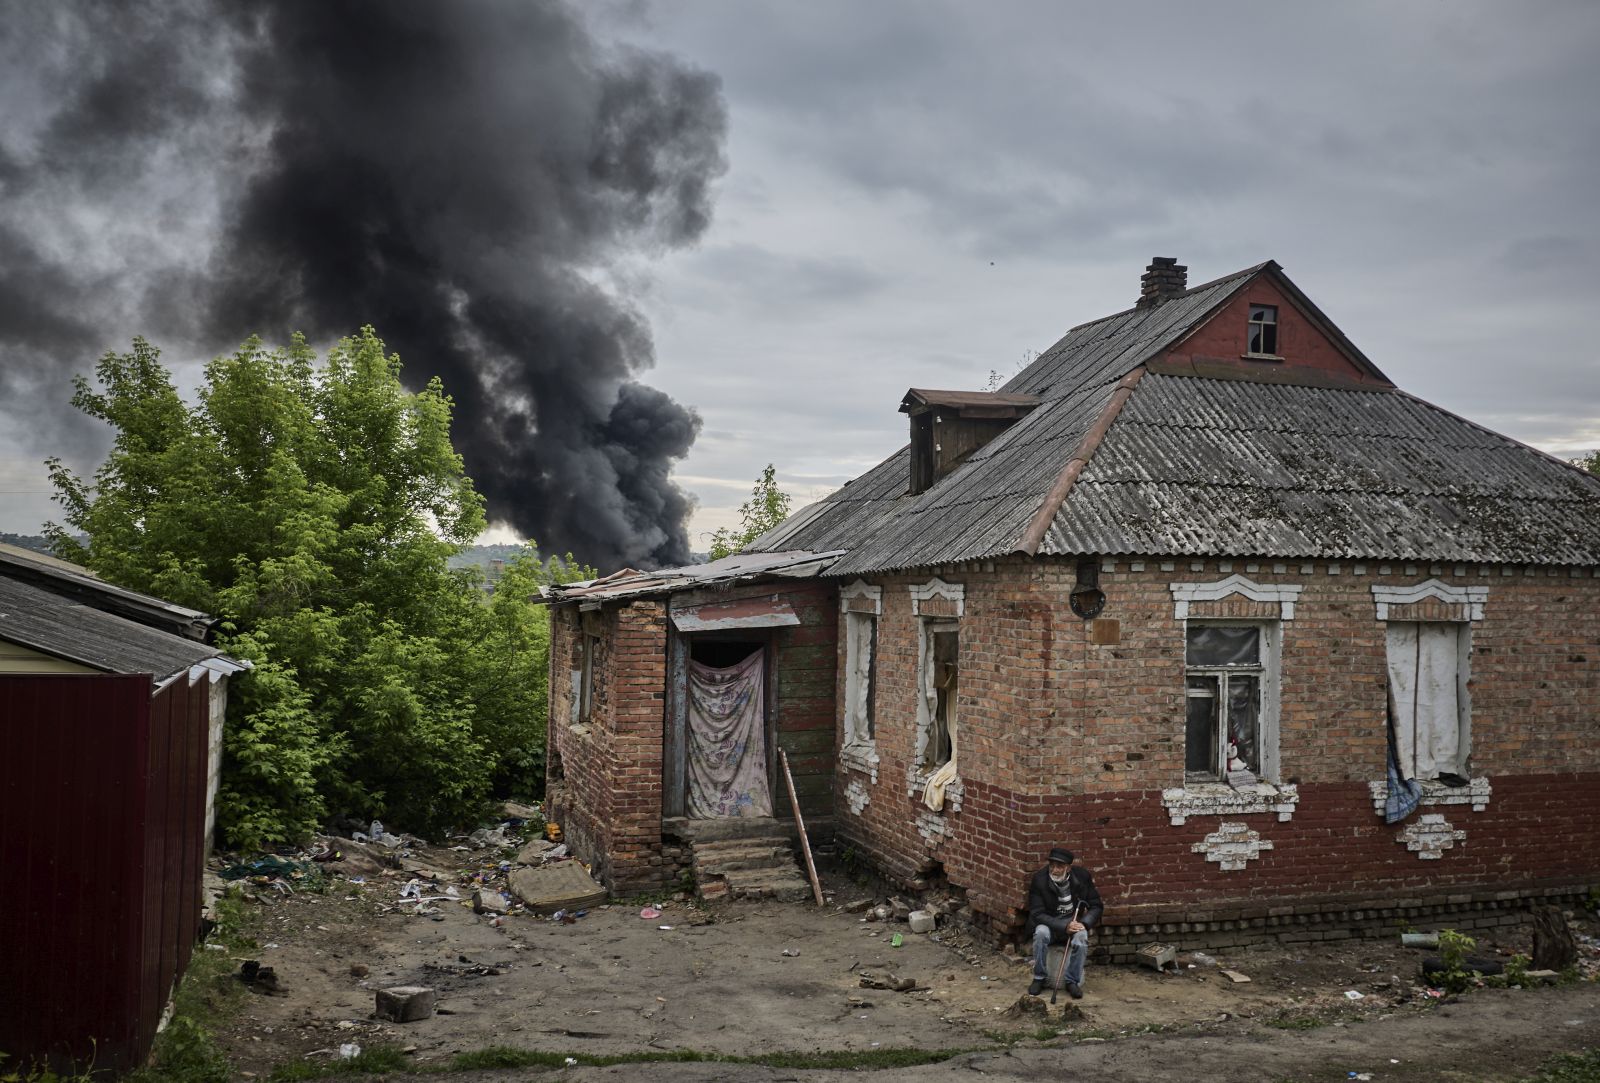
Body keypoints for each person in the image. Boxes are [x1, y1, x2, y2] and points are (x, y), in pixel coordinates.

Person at [1025, 846, 1103, 999]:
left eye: (1059, 867)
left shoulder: (1082, 877)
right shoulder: (1040, 880)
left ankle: (1072, 981)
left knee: (1082, 938)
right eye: (1052, 866)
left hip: (1073, 923)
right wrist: (1063, 926)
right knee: (1040, 933)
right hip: (1049, 924)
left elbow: (1096, 906)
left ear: (1068, 868)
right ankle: (1039, 977)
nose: (1054, 870)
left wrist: (1085, 923)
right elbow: (1037, 913)